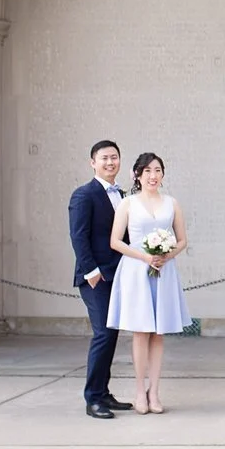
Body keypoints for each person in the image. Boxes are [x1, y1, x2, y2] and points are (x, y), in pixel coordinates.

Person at [106, 152, 191, 414]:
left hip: (163, 272)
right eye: (147, 172)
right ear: (138, 176)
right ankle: (138, 389)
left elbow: (182, 240)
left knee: (158, 332)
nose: (153, 176)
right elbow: (115, 241)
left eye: (157, 171)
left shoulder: (172, 203)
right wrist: (144, 256)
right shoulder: (128, 204)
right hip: (136, 270)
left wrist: (166, 256)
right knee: (141, 331)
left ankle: (154, 391)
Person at [67, 140, 134, 420]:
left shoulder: (122, 194)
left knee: (112, 334)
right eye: (104, 158)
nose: (110, 162)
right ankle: (93, 398)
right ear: (93, 162)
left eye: (115, 157)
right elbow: (78, 236)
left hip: (118, 274)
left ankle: (104, 392)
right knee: (103, 334)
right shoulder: (84, 194)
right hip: (96, 277)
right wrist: (91, 271)